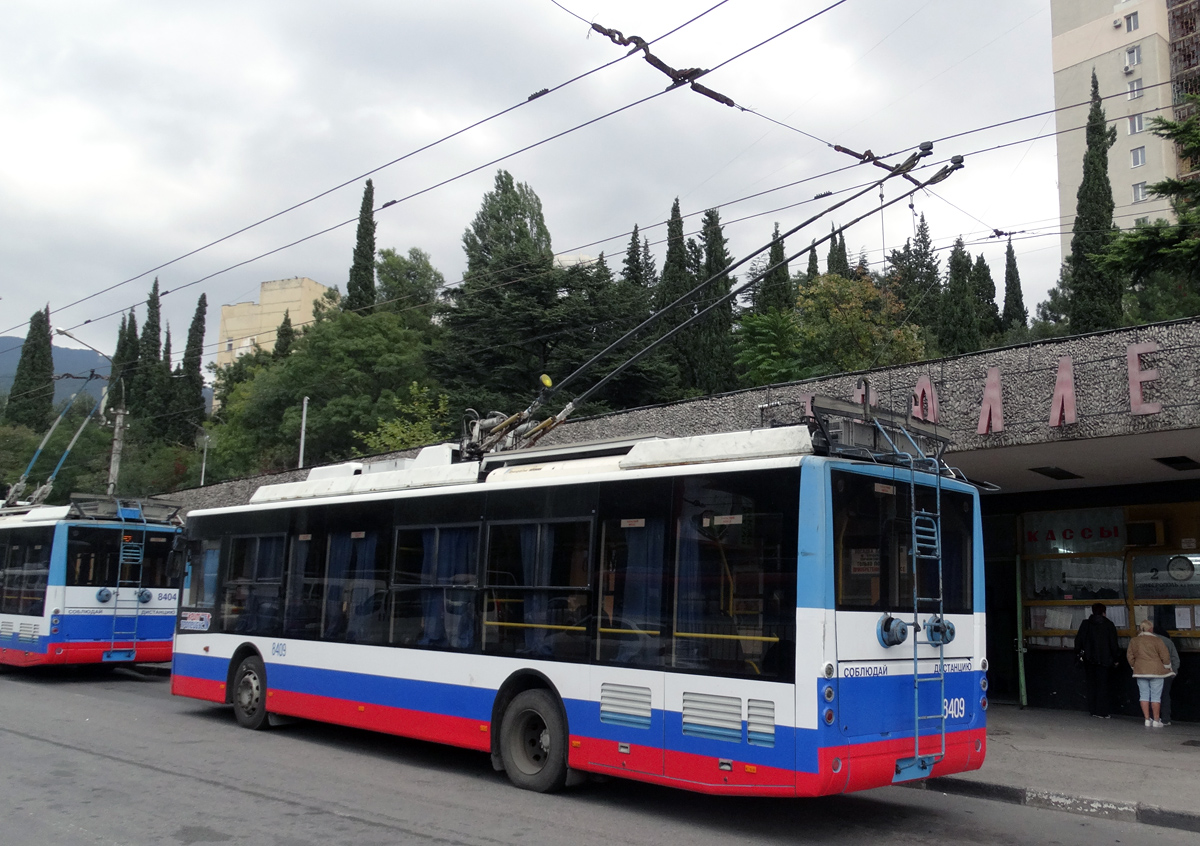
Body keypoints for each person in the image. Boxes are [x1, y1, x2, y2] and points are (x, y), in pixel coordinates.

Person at [1074, 603, 1120, 718]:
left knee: (1091, 684)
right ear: (1104, 612)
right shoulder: (1109, 625)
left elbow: (1078, 641)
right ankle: (1102, 711)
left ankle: (1093, 710)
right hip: (1104, 659)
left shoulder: (1085, 624)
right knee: (1102, 686)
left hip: (1088, 660)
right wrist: (1116, 659)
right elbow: (1113, 644)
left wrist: (1078, 653)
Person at [1127, 619, 1173, 727]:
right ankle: (1156, 720)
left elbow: (1130, 656)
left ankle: (1147, 719)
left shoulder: (1134, 641)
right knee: (1156, 696)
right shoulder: (1157, 640)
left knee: (1143, 695)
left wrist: (1134, 666)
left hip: (1140, 671)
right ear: (1151, 629)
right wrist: (1167, 667)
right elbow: (1165, 656)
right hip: (1156, 672)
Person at [1153, 623, 1181, 726]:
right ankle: (1165, 719)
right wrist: (1174, 672)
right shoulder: (1168, 641)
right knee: (1165, 695)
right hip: (1166, 672)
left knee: (1151, 695)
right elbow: (1175, 659)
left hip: (1152, 672)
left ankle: (1152, 718)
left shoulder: (1147, 641)